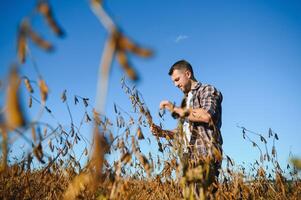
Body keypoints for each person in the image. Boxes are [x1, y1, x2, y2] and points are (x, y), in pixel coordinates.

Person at [150, 60, 223, 194]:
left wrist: (174, 108)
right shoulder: (186, 101)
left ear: (188, 74)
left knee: (203, 195)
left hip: (204, 154)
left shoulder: (207, 90)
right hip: (187, 156)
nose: (176, 84)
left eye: (177, 79)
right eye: (173, 82)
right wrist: (162, 132)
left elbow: (206, 115)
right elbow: (183, 132)